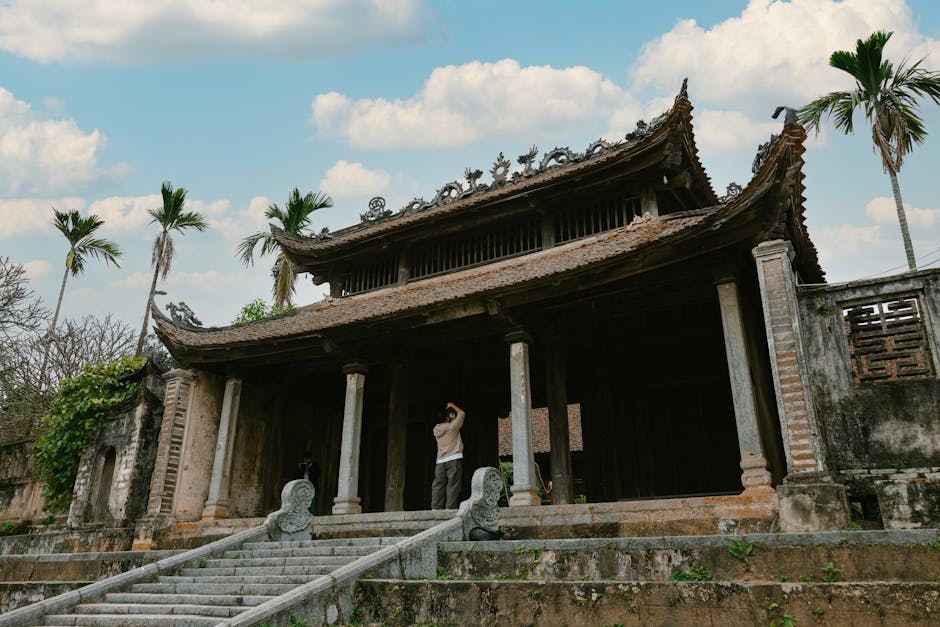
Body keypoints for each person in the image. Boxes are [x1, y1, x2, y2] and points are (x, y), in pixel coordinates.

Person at [431, 401, 466, 509]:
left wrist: (450, 417)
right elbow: (462, 413)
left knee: (438, 484)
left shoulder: (436, 429)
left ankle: (436, 508)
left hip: (440, 461)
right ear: (448, 417)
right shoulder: (452, 427)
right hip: (454, 459)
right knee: (453, 484)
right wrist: (452, 405)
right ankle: (450, 508)